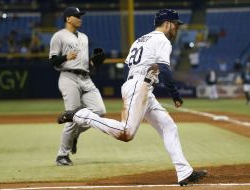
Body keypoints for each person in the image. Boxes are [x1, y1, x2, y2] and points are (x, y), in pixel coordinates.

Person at [57, 9, 207, 186]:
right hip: (139, 86)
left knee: (168, 126)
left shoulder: (141, 39)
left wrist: (142, 85)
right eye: (176, 25)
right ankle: (81, 115)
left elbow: (132, 64)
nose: (177, 28)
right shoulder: (162, 40)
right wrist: (174, 94)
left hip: (140, 86)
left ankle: (184, 172)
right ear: (167, 24)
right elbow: (164, 69)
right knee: (126, 133)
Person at [49, 7, 106, 166]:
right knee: (73, 117)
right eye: (77, 16)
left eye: (80, 16)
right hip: (68, 77)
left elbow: (85, 63)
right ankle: (62, 155)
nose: (80, 18)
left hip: (85, 77)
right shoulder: (59, 36)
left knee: (100, 111)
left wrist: (95, 61)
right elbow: (52, 61)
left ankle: (74, 135)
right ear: (68, 18)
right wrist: (66, 56)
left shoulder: (84, 37)